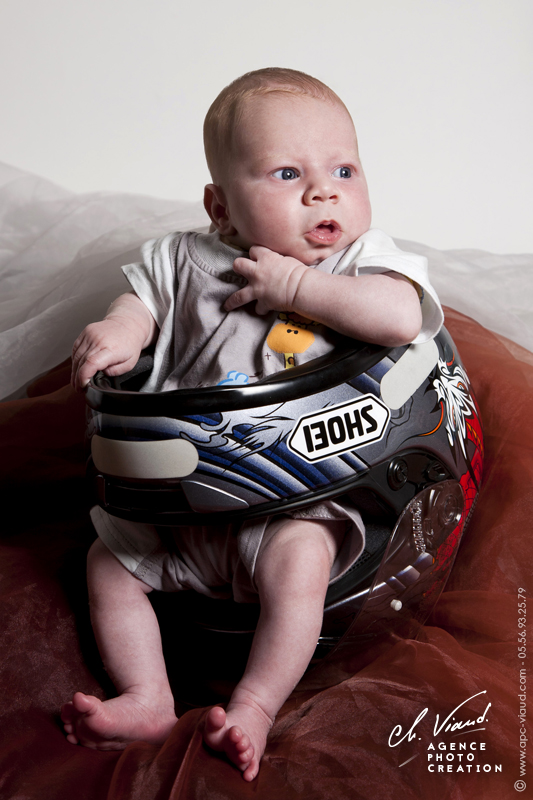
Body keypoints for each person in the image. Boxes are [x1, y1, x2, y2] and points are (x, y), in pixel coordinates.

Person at [61, 67, 443, 781]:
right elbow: (137, 303)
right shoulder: (180, 260)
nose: (322, 191)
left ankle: (257, 705)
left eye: (342, 169)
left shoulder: (362, 260)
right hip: (183, 504)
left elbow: (399, 318)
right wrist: (121, 331)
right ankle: (146, 693)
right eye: (286, 172)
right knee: (107, 563)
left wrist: (298, 286)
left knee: (300, 570)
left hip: (297, 495)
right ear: (221, 206)